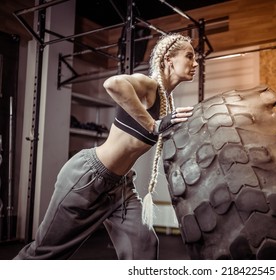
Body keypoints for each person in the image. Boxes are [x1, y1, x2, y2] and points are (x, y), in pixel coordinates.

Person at [14, 33, 198, 260]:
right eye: (189, 56)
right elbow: (113, 84)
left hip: (120, 188)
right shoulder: (149, 85)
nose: (195, 63)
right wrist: (153, 124)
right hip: (88, 177)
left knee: (144, 245)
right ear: (169, 59)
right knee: (44, 255)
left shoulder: (166, 102)